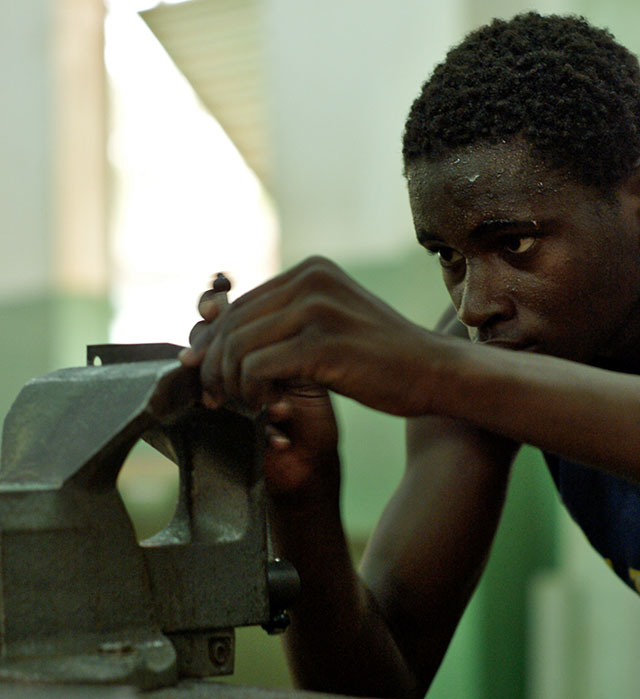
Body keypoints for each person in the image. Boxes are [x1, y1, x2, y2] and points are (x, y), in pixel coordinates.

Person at [180, 12, 640, 697]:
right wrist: (302, 495)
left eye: (515, 243)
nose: (475, 304)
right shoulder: (475, 365)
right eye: (449, 258)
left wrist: (434, 372)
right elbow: (377, 683)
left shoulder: (457, 372)